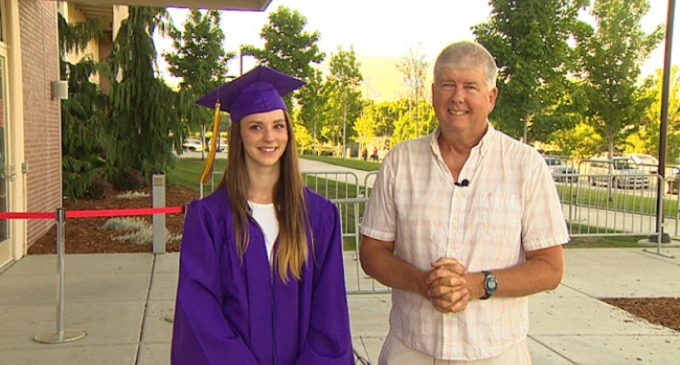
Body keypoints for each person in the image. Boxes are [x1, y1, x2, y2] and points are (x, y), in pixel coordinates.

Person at [359, 41, 569, 364]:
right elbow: (372, 252)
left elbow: (550, 268)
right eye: (448, 85)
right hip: (411, 348)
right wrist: (422, 283)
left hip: (496, 352)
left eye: (470, 86)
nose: (457, 97)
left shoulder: (525, 166)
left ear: (491, 97)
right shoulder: (401, 162)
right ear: (432, 93)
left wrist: (478, 284)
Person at [172, 66, 354, 365]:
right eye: (256, 126)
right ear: (239, 135)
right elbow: (199, 312)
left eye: (278, 126)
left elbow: (330, 312)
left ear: (289, 132)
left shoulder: (320, 217)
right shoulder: (208, 219)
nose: (269, 137)